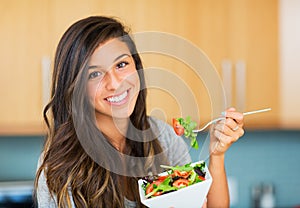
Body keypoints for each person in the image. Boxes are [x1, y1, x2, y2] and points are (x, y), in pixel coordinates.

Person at [34, 16, 244, 208]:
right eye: (95, 74)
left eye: (121, 64)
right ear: (75, 86)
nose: (115, 83)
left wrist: (216, 155)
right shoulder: (58, 167)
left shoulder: (162, 135)